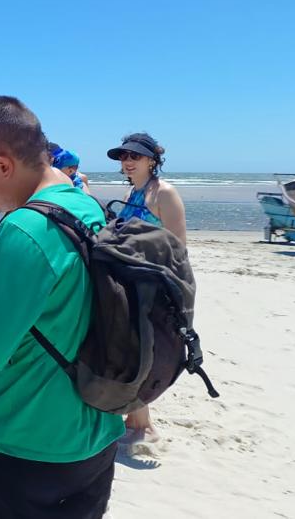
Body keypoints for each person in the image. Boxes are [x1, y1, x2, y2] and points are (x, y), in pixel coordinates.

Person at [0, 96, 124, 518]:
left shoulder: (24, 227)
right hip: (97, 428)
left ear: (2, 165)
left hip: (32, 439)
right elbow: (56, 290)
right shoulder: (82, 205)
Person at [107, 132, 187, 441]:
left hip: (154, 287)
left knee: (141, 355)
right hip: (127, 285)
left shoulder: (164, 194)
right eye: (124, 157)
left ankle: (140, 424)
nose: (127, 162)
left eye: (134, 156)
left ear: (152, 161)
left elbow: (179, 247)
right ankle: (136, 420)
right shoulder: (130, 195)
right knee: (130, 354)